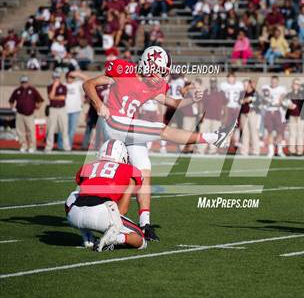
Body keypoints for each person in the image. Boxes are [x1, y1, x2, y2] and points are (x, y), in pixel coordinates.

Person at [83, 46, 236, 241]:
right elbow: (88, 84)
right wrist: (99, 104)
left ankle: (144, 223)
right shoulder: (123, 70)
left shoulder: (151, 86)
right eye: (160, 71)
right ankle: (213, 138)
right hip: (113, 122)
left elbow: (174, 103)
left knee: (144, 169)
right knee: (160, 129)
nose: (161, 77)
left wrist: (190, 99)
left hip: (129, 129)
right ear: (148, 64)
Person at [65, 140, 147, 251]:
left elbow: (81, 185)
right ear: (123, 156)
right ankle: (115, 238)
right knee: (141, 240)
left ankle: (87, 235)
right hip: (101, 213)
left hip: (74, 215)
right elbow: (122, 210)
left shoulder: (88, 166)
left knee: (74, 194)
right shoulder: (130, 170)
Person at [8, 76, 44, 152]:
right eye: (23, 82)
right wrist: (13, 108)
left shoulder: (32, 90)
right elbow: (11, 100)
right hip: (19, 113)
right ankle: (23, 145)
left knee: (31, 130)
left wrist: (37, 107)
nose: (24, 84)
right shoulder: (17, 90)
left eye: (25, 82)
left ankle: (32, 146)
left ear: (28, 82)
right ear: (21, 83)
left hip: (29, 114)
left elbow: (40, 100)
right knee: (20, 131)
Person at [58, 71, 88, 150]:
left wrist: (77, 74)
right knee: (62, 129)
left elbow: (87, 79)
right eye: (69, 77)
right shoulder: (63, 85)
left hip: (75, 111)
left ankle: (68, 146)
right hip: (64, 110)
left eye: (72, 77)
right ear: (66, 77)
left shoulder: (77, 84)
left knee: (71, 130)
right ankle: (60, 146)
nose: (71, 79)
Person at [197, 78, 228, 155]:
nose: (213, 83)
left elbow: (225, 106)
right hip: (206, 117)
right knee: (203, 134)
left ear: (216, 82)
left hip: (217, 117)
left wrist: (225, 116)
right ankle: (201, 151)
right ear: (210, 83)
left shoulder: (221, 93)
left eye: (214, 82)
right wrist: (200, 114)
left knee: (215, 135)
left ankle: (212, 151)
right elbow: (201, 104)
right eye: (211, 82)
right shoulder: (206, 92)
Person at [262, 76, 288, 157]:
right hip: (269, 111)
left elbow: (283, 97)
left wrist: (280, 100)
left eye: (275, 81)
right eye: (272, 81)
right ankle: (271, 151)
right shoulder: (266, 88)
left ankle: (280, 151)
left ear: (278, 82)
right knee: (270, 132)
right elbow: (265, 98)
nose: (273, 83)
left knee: (279, 132)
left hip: (278, 111)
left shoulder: (282, 89)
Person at [45, 72, 71, 152]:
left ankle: (66, 147)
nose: (56, 79)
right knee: (51, 129)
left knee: (64, 129)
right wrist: (54, 87)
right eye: (54, 78)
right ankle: (49, 147)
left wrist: (54, 97)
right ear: (52, 78)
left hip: (62, 109)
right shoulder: (50, 87)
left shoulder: (63, 87)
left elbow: (63, 97)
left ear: (59, 78)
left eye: (57, 78)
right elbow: (50, 97)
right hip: (53, 109)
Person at [284, 79, 304, 156]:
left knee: (300, 134)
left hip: (301, 117)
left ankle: (300, 151)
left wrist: (301, 84)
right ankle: (291, 151)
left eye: (297, 84)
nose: (296, 85)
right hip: (292, 116)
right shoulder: (289, 94)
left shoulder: (302, 93)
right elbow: (285, 103)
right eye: (295, 83)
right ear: (292, 85)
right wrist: (288, 106)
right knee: (292, 134)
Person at [220, 72, 244, 147]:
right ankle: (227, 141)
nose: (231, 79)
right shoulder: (223, 85)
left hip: (236, 107)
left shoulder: (239, 85)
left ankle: (236, 141)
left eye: (232, 77)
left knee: (236, 126)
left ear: (235, 78)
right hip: (227, 108)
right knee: (227, 125)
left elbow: (242, 95)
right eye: (229, 78)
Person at [239, 79, 260, 156]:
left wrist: (247, 101)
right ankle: (244, 150)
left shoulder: (255, 93)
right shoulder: (242, 93)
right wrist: (245, 100)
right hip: (243, 114)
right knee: (245, 133)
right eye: (244, 85)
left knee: (254, 133)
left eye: (246, 85)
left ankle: (255, 150)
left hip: (252, 114)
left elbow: (258, 103)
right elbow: (239, 101)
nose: (245, 86)